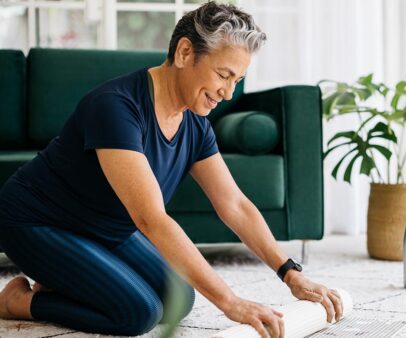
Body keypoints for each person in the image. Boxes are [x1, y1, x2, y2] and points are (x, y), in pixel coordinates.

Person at [0, 2, 342, 337]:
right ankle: (18, 302)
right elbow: (151, 219)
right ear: (183, 53)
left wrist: (289, 272)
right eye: (223, 74)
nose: (227, 92)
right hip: (35, 222)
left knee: (179, 298)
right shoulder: (116, 107)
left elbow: (234, 204)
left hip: (103, 230)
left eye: (237, 80)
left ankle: (67, 279)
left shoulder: (195, 125)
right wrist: (231, 302)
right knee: (137, 312)